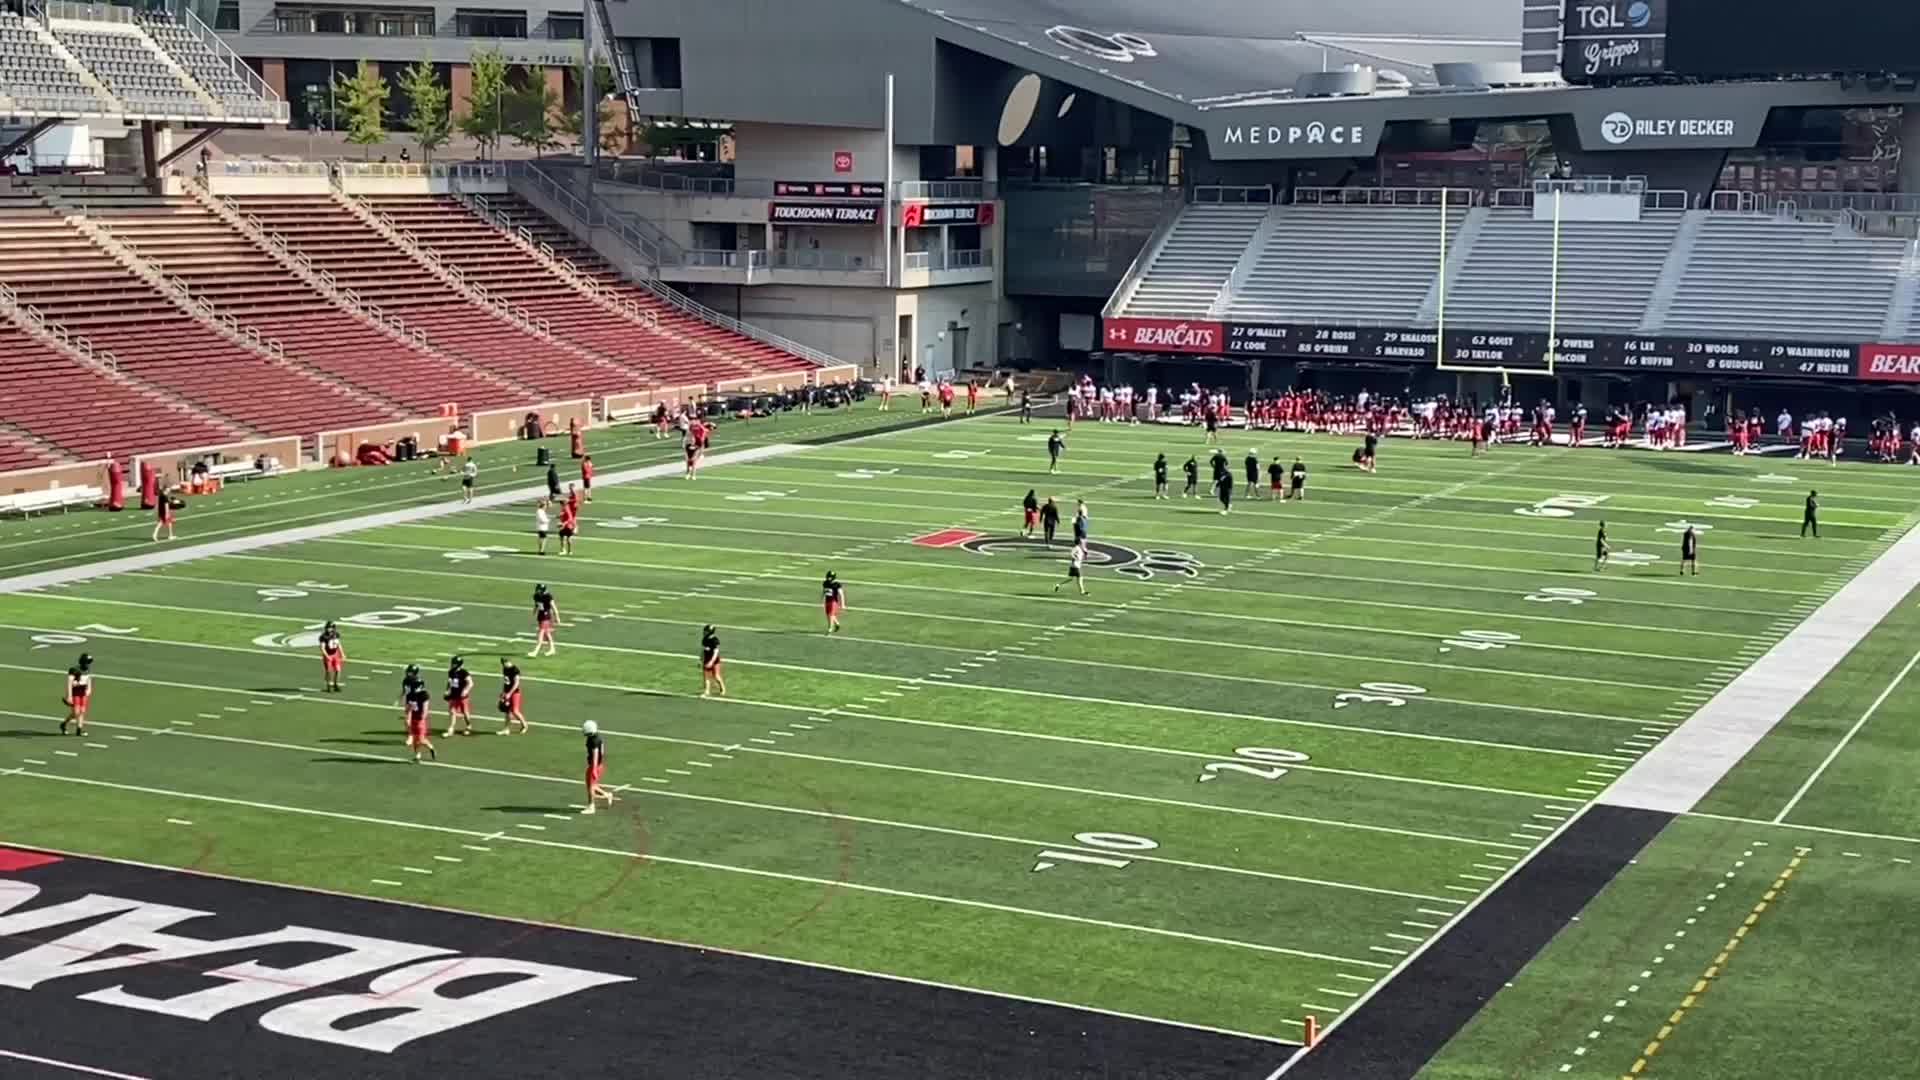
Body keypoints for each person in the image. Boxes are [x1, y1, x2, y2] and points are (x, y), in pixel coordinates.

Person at [580, 720, 616, 814]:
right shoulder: (598, 738)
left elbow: (595, 754)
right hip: (597, 765)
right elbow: (602, 752)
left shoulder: (593, 740)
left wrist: (594, 769)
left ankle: (591, 807)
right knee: (592, 785)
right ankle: (607, 795)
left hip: (594, 766)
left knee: (591, 787)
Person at [403, 683, 435, 763]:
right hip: (413, 718)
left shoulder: (424, 695)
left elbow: (425, 708)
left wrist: (423, 718)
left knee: (420, 739)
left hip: (420, 720)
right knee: (415, 739)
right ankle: (417, 755)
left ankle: (430, 747)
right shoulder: (410, 695)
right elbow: (408, 708)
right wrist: (407, 717)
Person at [60, 658, 92, 736]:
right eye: (87, 662)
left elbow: (88, 678)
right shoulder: (74, 670)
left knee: (82, 711)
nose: (88, 664)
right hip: (76, 692)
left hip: (83, 692)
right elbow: (70, 683)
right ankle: (64, 724)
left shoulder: (87, 669)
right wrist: (69, 696)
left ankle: (79, 729)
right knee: (76, 712)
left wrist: (89, 689)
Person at [443, 655, 474, 737]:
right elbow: (449, 682)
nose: (452, 664)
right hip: (453, 695)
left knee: (465, 712)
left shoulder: (464, 672)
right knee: (452, 712)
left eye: (454, 663)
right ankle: (451, 729)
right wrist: (447, 690)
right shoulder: (451, 672)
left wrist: (466, 690)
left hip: (462, 696)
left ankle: (468, 726)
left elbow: (470, 683)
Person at [498, 657, 527, 734]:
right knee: (507, 711)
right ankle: (506, 729)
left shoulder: (515, 670)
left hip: (515, 693)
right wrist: (503, 692)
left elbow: (516, 683)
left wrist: (509, 693)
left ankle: (524, 725)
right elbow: (506, 682)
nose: (504, 665)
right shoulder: (504, 669)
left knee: (515, 711)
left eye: (504, 663)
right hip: (507, 692)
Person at [530, 584, 559, 656]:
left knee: (541, 632)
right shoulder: (536, 596)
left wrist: (557, 617)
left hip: (546, 615)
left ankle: (536, 650)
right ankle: (552, 649)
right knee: (546, 633)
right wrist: (533, 613)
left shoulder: (548, 596)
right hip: (540, 614)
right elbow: (536, 605)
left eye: (539, 590)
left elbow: (553, 607)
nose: (537, 591)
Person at [318, 620, 345, 692]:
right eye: (327, 627)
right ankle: (328, 685)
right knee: (328, 671)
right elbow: (322, 647)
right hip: (328, 654)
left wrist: (342, 653)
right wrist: (326, 656)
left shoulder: (336, 634)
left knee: (338, 670)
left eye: (330, 627)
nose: (328, 629)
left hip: (335, 654)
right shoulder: (323, 636)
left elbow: (339, 644)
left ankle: (336, 684)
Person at [700, 624, 726, 698]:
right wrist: (701, 659)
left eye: (706, 631)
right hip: (706, 659)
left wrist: (711, 661)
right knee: (706, 677)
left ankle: (722, 689)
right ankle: (706, 691)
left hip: (714, 660)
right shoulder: (704, 639)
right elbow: (702, 650)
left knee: (716, 676)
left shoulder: (714, 640)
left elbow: (716, 652)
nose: (704, 632)